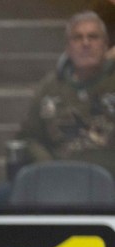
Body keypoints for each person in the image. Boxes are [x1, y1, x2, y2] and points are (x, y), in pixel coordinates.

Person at [15, 11, 115, 178]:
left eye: (93, 37)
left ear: (105, 45)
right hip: (60, 177)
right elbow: (29, 138)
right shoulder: (49, 88)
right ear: (68, 48)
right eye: (77, 38)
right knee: (2, 196)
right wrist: (48, 167)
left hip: (110, 177)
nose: (85, 43)